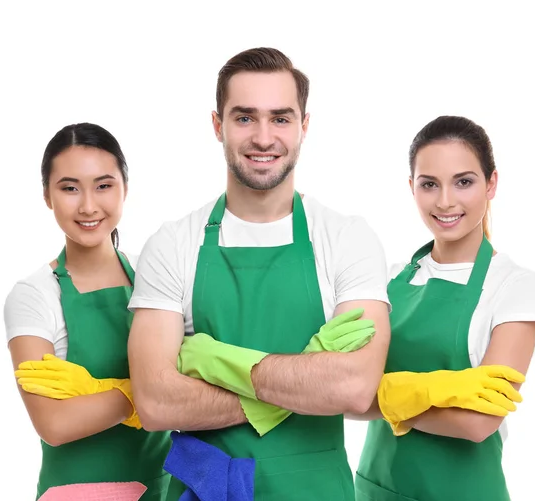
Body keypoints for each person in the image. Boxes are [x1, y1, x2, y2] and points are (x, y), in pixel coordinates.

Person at [127, 47, 392, 501]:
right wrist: (305, 382)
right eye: (245, 118)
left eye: (281, 118)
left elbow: (352, 387)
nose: (264, 137)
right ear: (218, 125)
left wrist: (213, 362)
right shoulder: (173, 244)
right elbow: (155, 402)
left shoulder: (348, 238)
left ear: (304, 126)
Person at [354, 115, 535, 501]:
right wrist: (405, 395)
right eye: (429, 184)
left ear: (491, 183)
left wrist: (377, 394)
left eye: (464, 181)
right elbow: (339, 394)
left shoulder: (516, 287)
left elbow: (479, 421)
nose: (445, 201)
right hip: (376, 491)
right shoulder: (388, 279)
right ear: (412, 188)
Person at [4, 123, 177, 500]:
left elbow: (194, 375)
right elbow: (53, 423)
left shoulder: (156, 276)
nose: (87, 205)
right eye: (69, 188)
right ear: (48, 196)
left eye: (103, 185)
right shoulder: (34, 295)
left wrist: (101, 395)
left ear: (125, 190)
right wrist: (147, 394)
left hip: (162, 490)